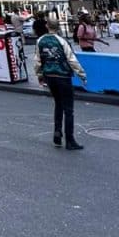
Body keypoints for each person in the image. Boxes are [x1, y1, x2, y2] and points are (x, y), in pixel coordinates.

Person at [35, 19, 87, 150]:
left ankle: (57, 133)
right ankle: (70, 140)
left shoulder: (40, 41)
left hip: (49, 76)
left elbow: (38, 60)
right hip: (63, 75)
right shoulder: (62, 41)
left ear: (47, 26)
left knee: (58, 104)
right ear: (58, 27)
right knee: (68, 109)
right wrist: (82, 74)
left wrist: (40, 75)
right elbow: (71, 59)